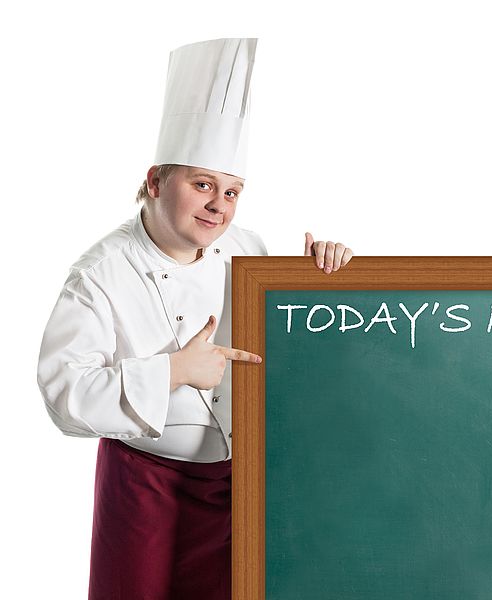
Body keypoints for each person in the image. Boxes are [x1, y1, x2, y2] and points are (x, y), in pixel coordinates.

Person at [36, 38, 352, 600]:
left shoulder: (249, 250)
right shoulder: (100, 274)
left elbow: (293, 351)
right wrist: (173, 371)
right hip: (144, 489)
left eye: (232, 192)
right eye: (203, 185)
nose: (219, 207)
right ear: (156, 181)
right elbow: (64, 395)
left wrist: (322, 276)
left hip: (238, 488)